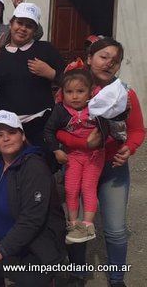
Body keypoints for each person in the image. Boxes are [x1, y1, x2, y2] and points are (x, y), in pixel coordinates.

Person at [57, 38, 145, 287]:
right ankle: (77, 274)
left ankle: (117, 279)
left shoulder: (125, 94)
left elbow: (138, 130)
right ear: (89, 58)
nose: (109, 63)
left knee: (116, 229)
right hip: (79, 166)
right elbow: (57, 130)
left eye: (115, 60)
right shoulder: (72, 88)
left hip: (112, 168)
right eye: (103, 56)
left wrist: (129, 148)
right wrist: (82, 144)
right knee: (76, 225)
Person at [0, 110, 66, 287]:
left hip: (33, 246)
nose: (6, 138)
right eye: (0, 135)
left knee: (30, 280)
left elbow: (32, 219)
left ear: (22, 136)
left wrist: (3, 248)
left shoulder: (34, 168)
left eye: (12, 132)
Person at [0, 2, 65, 169]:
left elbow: (71, 81)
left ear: (35, 30)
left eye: (29, 25)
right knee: (5, 169)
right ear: (11, 24)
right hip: (6, 125)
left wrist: (51, 74)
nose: (23, 29)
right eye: (19, 23)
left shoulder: (45, 50)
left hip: (38, 124)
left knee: (40, 169)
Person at [43, 63, 108, 244]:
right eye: (69, 92)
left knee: (88, 187)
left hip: (94, 156)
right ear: (62, 93)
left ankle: (88, 224)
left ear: (90, 92)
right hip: (72, 156)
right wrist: (56, 150)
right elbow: (48, 131)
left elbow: (108, 129)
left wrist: (102, 139)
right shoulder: (61, 110)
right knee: (71, 189)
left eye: (80, 91)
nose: (75, 96)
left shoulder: (96, 109)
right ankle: (73, 224)